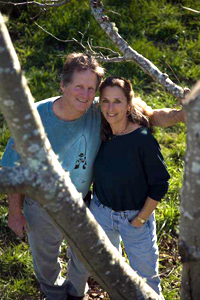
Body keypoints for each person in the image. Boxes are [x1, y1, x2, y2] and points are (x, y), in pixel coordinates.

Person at [1, 53, 184, 300]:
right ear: (63, 85)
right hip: (42, 206)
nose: (85, 95)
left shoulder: (101, 108)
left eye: (91, 88)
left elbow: (151, 116)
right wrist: (15, 212)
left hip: (83, 203)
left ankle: (77, 294)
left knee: (83, 258)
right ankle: (55, 294)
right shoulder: (34, 119)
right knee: (45, 259)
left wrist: (182, 114)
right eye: (79, 86)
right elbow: (13, 167)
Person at [91, 76, 170, 298]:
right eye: (105, 101)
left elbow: (160, 183)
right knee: (112, 272)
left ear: (128, 104)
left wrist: (140, 219)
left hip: (135, 219)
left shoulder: (141, 139)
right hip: (103, 214)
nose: (110, 108)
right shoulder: (102, 132)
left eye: (117, 101)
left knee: (147, 279)